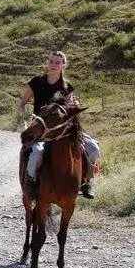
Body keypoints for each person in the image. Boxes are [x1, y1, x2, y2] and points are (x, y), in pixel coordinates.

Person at [18, 50, 99, 200]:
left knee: (93, 148)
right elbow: (22, 103)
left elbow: (70, 109)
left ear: (63, 66)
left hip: (61, 130)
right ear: (47, 63)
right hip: (41, 130)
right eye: (51, 61)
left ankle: (86, 181)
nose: (53, 65)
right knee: (36, 154)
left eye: (57, 62)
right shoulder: (36, 82)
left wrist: (75, 106)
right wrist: (26, 116)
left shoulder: (66, 86)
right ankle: (30, 185)